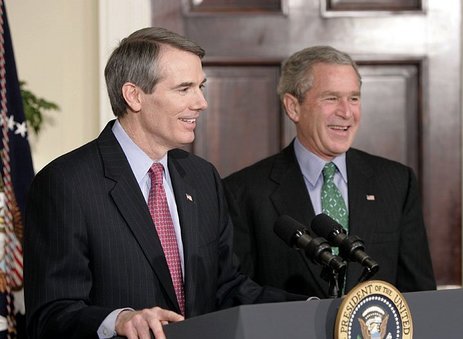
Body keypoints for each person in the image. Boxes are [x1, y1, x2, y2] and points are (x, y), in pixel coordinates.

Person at [23, 27, 303, 339]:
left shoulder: (202, 177)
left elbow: (227, 287)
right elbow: (50, 315)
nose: (201, 103)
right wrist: (119, 320)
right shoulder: (66, 183)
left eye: (201, 87)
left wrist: (317, 309)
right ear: (134, 96)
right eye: (184, 89)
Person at [223, 46, 436, 298]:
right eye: (331, 98)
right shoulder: (243, 192)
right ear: (293, 107)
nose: (346, 112)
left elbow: (419, 295)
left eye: (354, 98)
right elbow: (237, 294)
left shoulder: (397, 183)